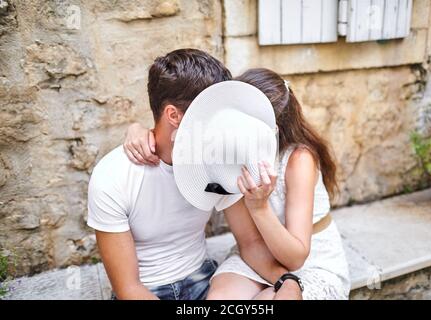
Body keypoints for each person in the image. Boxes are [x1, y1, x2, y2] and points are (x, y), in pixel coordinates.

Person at [88, 49, 300, 300]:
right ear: (173, 115)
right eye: (209, 112)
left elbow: (250, 243)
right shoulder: (113, 176)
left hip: (203, 282)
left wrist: (286, 281)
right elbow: (129, 289)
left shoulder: (218, 162)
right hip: (146, 292)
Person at [125, 68, 350, 300]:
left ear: (271, 130)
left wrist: (259, 207)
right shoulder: (227, 156)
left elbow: (295, 258)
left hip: (310, 260)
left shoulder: (299, 160)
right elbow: (250, 242)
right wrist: (139, 131)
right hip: (258, 254)